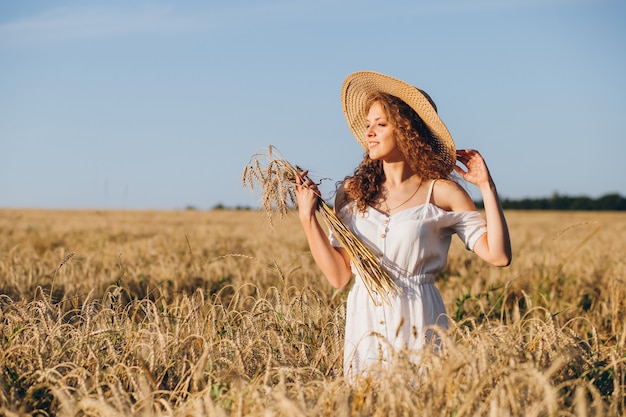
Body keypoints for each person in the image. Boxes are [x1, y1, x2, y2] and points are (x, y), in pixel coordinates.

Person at [294, 71, 512, 380]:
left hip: (419, 317)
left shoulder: (441, 193)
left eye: (381, 124)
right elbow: (339, 276)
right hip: (364, 319)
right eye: (368, 124)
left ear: (409, 131)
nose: (369, 132)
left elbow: (498, 256)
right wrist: (308, 217)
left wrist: (487, 187)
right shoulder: (353, 192)